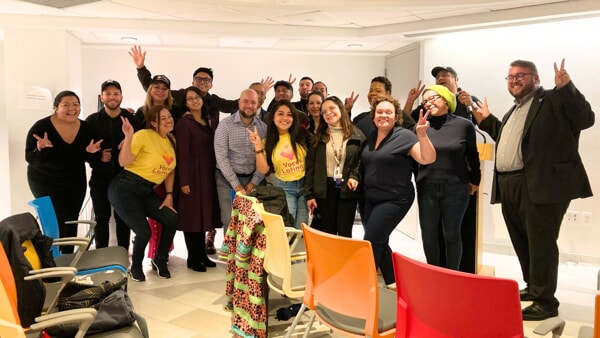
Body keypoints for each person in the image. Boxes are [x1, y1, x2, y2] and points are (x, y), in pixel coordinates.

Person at [474, 59, 594, 320]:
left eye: (521, 76)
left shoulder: (553, 100)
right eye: (510, 77)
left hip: (540, 184)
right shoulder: (514, 110)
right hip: (510, 184)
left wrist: (567, 87)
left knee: (541, 243)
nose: (514, 80)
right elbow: (513, 140)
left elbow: (585, 119)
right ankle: (534, 287)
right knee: (522, 240)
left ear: (536, 79)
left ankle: (545, 302)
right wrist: (486, 121)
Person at [361, 98, 435, 289]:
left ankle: (364, 288)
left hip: (395, 198)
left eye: (388, 112)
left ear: (396, 116)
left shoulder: (405, 136)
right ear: (373, 115)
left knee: (371, 242)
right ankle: (394, 283)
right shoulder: (370, 136)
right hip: (370, 198)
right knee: (380, 240)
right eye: (379, 112)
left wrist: (422, 135)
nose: (383, 115)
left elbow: (427, 158)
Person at [25, 90, 102, 254]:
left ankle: (67, 260)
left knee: (71, 220)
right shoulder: (42, 127)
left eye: (75, 104)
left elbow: (93, 162)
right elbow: (30, 158)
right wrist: (40, 148)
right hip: (44, 179)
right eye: (65, 105)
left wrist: (92, 153)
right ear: (55, 107)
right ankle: (52, 261)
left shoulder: (87, 128)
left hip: (74, 179)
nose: (72, 109)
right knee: (56, 220)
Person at [108, 105, 178, 282]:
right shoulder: (144, 135)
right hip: (125, 188)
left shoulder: (170, 141)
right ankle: (136, 267)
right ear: (154, 122)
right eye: (163, 118)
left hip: (146, 190)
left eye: (169, 116)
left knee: (171, 218)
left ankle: (160, 259)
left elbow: (170, 170)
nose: (169, 120)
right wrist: (129, 136)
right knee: (143, 232)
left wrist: (169, 194)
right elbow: (124, 161)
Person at [416, 85, 480, 271]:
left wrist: (475, 180)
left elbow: (472, 155)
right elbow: (416, 157)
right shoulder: (421, 126)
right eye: (425, 101)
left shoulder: (464, 125)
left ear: (445, 99)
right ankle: (433, 274)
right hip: (427, 186)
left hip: (455, 187)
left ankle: (452, 275)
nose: (429, 103)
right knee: (428, 234)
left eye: (433, 98)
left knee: (451, 234)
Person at [85, 80, 143, 249]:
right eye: (108, 93)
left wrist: (129, 140)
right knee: (101, 218)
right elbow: (86, 152)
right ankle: (100, 256)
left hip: (125, 178)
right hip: (99, 178)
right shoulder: (91, 121)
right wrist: (97, 156)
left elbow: (141, 147)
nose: (112, 97)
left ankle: (123, 257)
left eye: (116, 93)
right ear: (101, 97)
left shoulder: (130, 119)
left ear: (121, 97)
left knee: (123, 218)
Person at [304, 96, 366, 237]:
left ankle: (344, 259)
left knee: (345, 233)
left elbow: (361, 161)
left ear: (341, 109)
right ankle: (329, 259)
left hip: (347, 189)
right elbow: (311, 167)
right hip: (324, 189)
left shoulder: (356, 135)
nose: (328, 113)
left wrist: (355, 176)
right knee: (327, 233)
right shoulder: (319, 137)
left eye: (331, 108)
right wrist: (309, 195)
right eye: (324, 111)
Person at [175, 86, 220, 272]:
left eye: (197, 97)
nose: (194, 101)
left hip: (207, 175)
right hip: (192, 174)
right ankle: (193, 258)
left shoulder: (208, 121)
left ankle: (202, 254)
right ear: (185, 103)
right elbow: (182, 152)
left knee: (203, 216)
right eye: (190, 98)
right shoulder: (184, 122)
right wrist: (184, 180)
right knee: (192, 217)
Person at [130, 45, 240, 120]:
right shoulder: (180, 96)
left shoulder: (214, 101)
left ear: (211, 85)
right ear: (193, 83)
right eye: (198, 79)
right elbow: (154, 90)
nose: (202, 82)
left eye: (206, 80)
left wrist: (255, 94)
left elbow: (233, 105)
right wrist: (140, 68)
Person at [248, 100, 311, 229]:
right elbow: (264, 170)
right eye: (280, 114)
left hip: (305, 187)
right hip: (284, 188)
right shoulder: (268, 141)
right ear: (273, 117)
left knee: (303, 229)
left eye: (289, 114)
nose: (285, 118)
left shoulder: (303, 135)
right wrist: (258, 147)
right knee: (287, 228)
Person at [214, 89, 267, 230]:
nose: (249, 105)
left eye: (253, 102)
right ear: (239, 102)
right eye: (246, 101)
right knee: (230, 220)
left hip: (253, 179)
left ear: (258, 105)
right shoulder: (225, 125)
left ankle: (248, 253)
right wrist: (236, 185)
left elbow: (263, 159)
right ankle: (230, 252)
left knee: (253, 222)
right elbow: (221, 157)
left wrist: (253, 183)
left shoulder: (263, 128)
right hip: (227, 179)